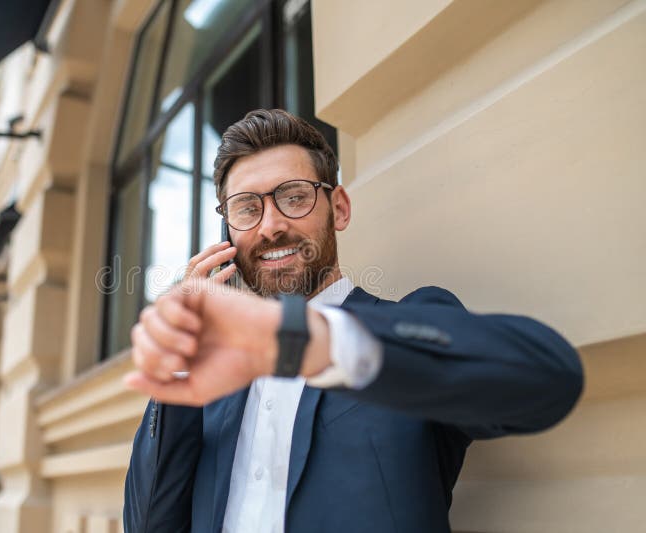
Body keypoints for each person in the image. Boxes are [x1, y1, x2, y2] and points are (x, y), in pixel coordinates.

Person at [123, 109, 583, 533]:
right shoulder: (213, 385)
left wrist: (305, 341)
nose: (269, 226)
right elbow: (148, 525)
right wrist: (180, 360)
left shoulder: (410, 322)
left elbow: (548, 379)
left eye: (294, 197)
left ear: (338, 208)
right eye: (247, 208)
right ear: (229, 233)